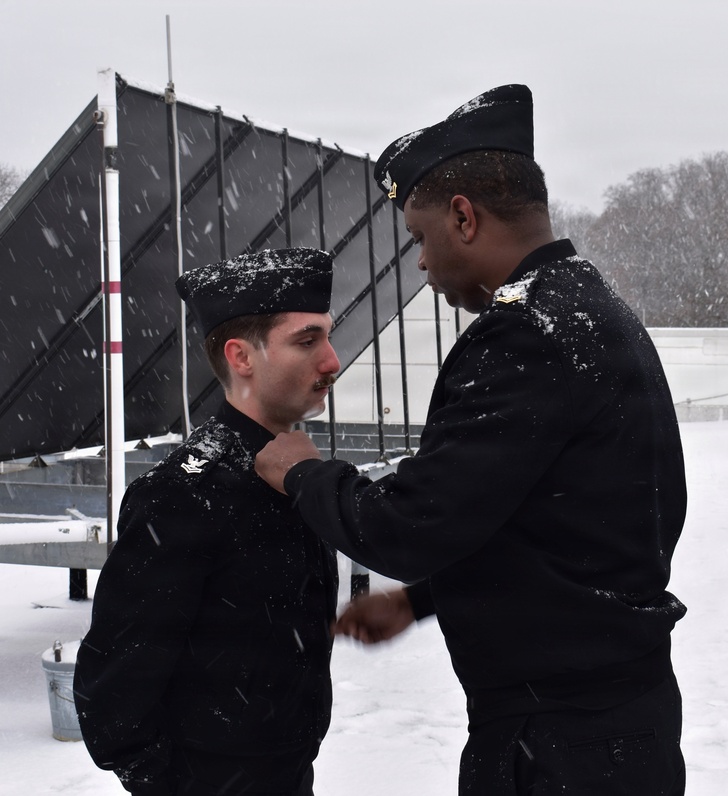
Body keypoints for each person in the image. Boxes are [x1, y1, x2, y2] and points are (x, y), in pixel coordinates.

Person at [255, 84, 688, 794]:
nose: (421, 264)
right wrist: (422, 600)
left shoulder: (525, 335)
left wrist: (304, 473)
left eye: (419, 239)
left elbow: (413, 523)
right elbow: (552, 520)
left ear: (463, 217)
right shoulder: (591, 310)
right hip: (609, 721)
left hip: (556, 743)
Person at [74, 248, 341, 795]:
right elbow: (117, 676)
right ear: (241, 357)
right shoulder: (186, 494)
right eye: (307, 340)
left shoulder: (296, 471)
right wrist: (161, 779)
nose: (332, 360)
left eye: (328, 338)